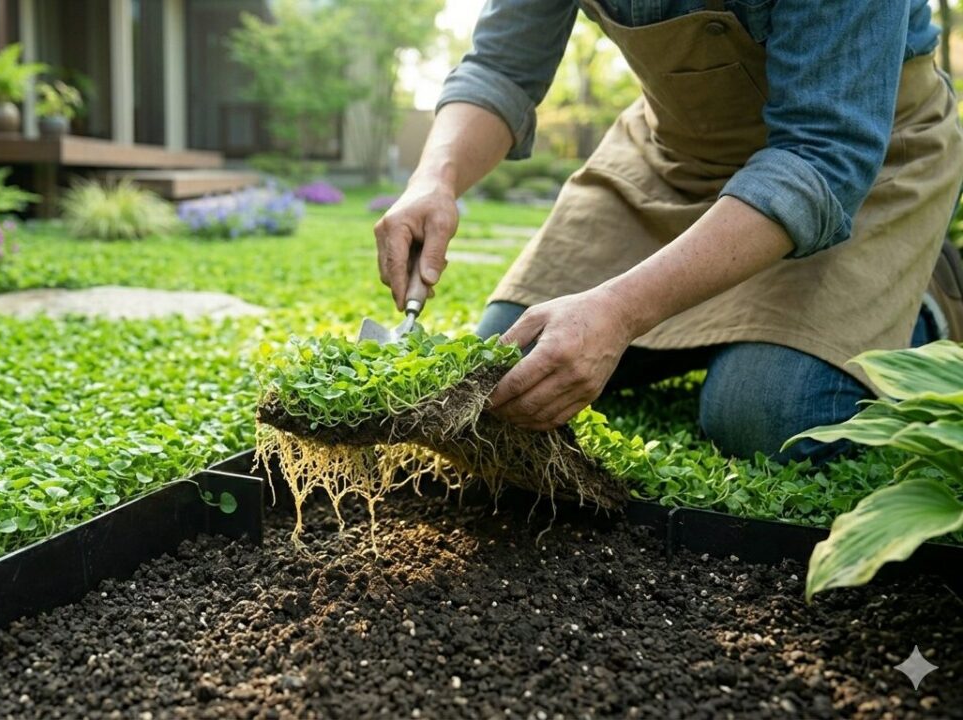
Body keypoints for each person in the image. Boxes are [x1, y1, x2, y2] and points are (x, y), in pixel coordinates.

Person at [374, 0, 963, 464]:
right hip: (674, 158)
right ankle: (746, 320)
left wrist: (623, 311)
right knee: (516, 364)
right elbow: (501, 65)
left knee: (770, 413)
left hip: (858, 165)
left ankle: (923, 295)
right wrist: (435, 178)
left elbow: (824, 151)